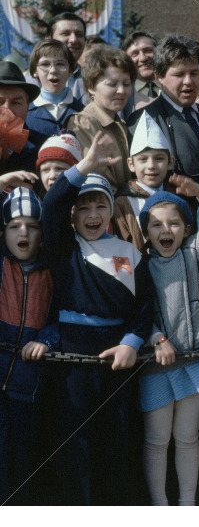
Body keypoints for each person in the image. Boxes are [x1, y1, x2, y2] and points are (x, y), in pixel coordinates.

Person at [41, 132, 154, 504]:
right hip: (70, 358)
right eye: (83, 207)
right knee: (74, 443)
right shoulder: (63, 244)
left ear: (111, 210)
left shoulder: (128, 253)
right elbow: (52, 205)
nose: (92, 215)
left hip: (117, 359)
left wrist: (131, 343)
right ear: (73, 213)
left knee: (116, 440)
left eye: (100, 206)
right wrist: (84, 166)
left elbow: (144, 309)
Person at [138, 181, 199, 506]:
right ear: (146, 230)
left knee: (188, 437)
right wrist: (155, 338)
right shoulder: (137, 264)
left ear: (187, 228)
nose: (166, 230)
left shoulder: (196, 252)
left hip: (195, 361)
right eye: (157, 224)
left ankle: (187, 504)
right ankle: (161, 505)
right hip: (155, 365)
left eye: (174, 223)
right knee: (157, 440)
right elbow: (131, 312)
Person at [0, 188, 53, 504]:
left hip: (28, 384)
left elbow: (61, 318)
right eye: (14, 226)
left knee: (22, 462)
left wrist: (47, 340)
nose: (23, 232)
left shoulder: (53, 272)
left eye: (32, 226)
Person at [127, 35, 199, 184]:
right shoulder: (143, 120)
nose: (188, 81)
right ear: (159, 77)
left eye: (194, 73)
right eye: (179, 74)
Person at [65, 45, 136, 192]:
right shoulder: (83, 123)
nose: (122, 91)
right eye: (112, 84)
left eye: (127, 84)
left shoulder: (121, 124)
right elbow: (99, 178)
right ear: (91, 86)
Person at [113, 111, 175, 249]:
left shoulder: (177, 196)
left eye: (159, 158)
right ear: (131, 164)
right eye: (143, 159)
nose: (151, 166)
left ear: (170, 162)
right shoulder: (122, 204)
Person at [24, 39, 83, 147]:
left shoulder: (83, 111)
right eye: (45, 64)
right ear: (35, 71)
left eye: (60, 64)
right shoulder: (25, 113)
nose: (53, 70)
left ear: (70, 70)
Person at [0, 60, 40, 176]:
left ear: (27, 107)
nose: (7, 109)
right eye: (0, 102)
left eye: (16, 103)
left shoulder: (40, 148)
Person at [46, 12, 88, 105]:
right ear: (48, 40)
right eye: (65, 34)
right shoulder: (31, 80)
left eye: (79, 34)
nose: (73, 39)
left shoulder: (94, 79)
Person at [120, 31, 160, 118]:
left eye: (148, 51)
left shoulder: (173, 86)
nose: (143, 58)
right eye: (135, 54)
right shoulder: (122, 95)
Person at [34, 132, 82, 197]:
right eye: (45, 170)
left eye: (59, 168)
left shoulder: (90, 201)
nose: (52, 176)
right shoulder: (35, 204)